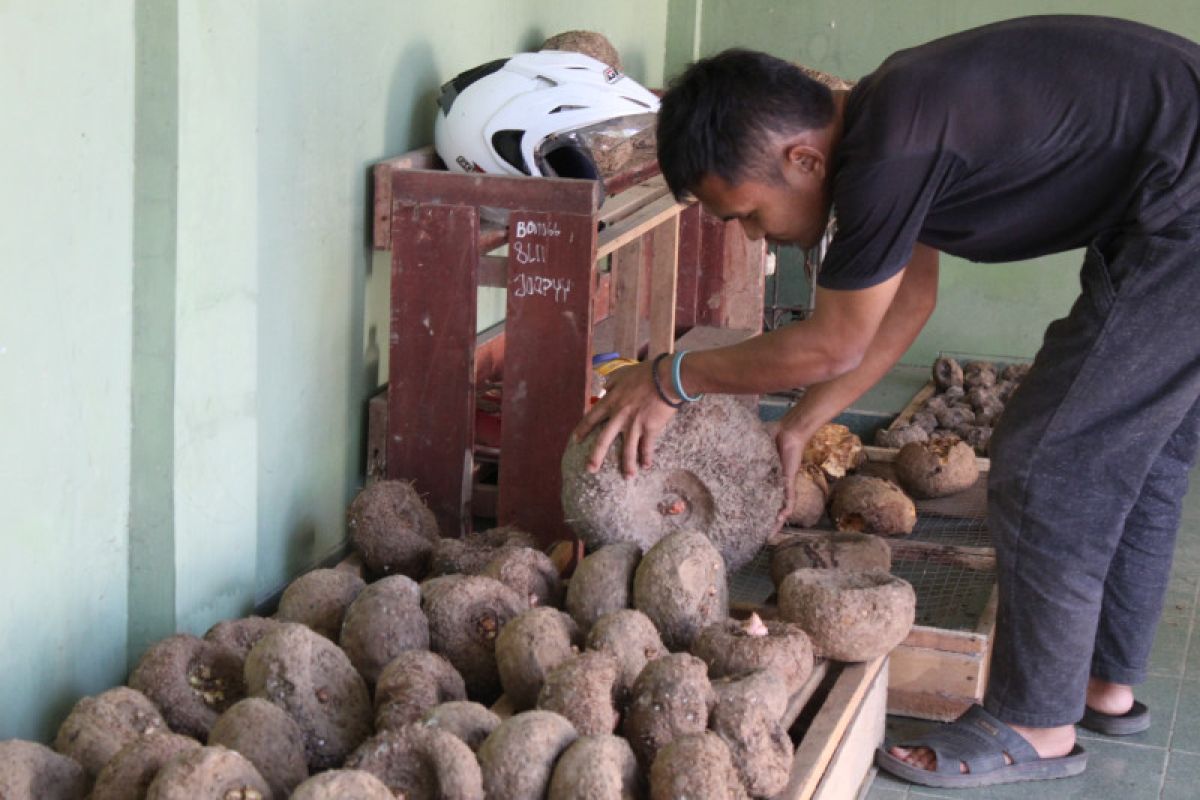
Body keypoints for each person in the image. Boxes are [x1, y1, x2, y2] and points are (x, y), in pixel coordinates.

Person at [572, 15, 1200, 789]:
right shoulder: (892, 119)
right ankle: (1104, 683)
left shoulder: (886, 152)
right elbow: (908, 302)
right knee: (1143, 452)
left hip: (1186, 207)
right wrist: (805, 420)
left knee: (1048, 462)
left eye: (745, 215)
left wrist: (673, 377)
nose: (746, 238)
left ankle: (1036, 723)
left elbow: (833, 340)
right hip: (1174, 194)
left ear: (802, 158)